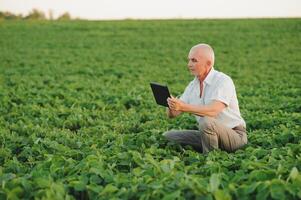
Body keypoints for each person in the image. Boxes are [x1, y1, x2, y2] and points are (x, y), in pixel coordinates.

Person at [163, 43, 247, 153]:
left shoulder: (223, 81)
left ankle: (211, 160)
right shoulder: (193, 86)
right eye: (189, 60)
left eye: (194, 60)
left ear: (208, 63)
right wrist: (171, 105)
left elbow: (213, 111)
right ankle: (211, 145)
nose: (189, 64)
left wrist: (183, 107)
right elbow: (173, 115)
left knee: (206, 122)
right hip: (209, 132)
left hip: (235, 136)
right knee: (169, 136)